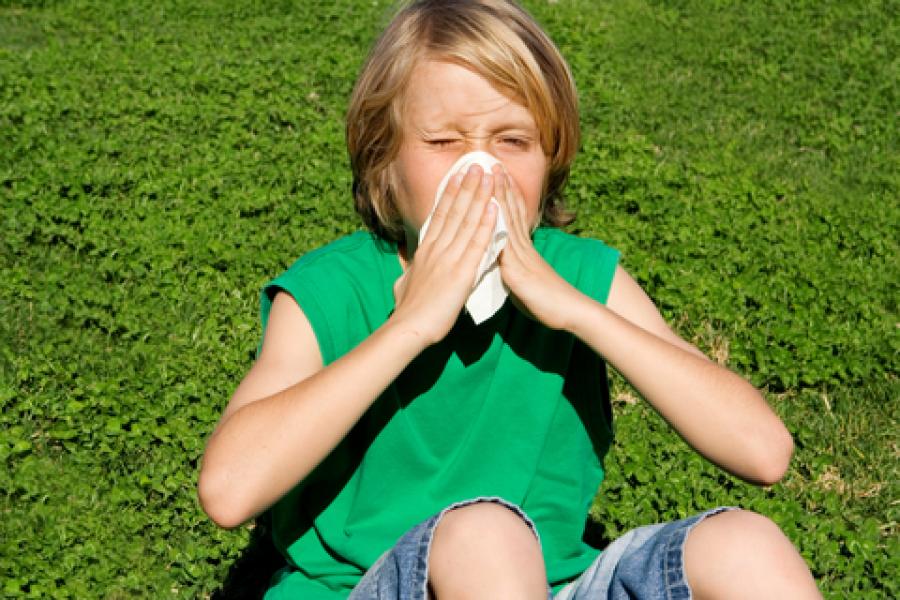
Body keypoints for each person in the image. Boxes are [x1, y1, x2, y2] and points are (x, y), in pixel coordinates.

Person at [198, 1, 822, 598]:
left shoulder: (577, 277)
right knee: (487, 535)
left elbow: (763, 452)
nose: (480, 172)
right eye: (444, 143)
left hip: (552, 584)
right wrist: (409, 326)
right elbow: (228, 491)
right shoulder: (331, 290)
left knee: (745, 544)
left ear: (551, 162)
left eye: (512, 142)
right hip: (363, 586)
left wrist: (576, 310)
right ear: (384, 161)